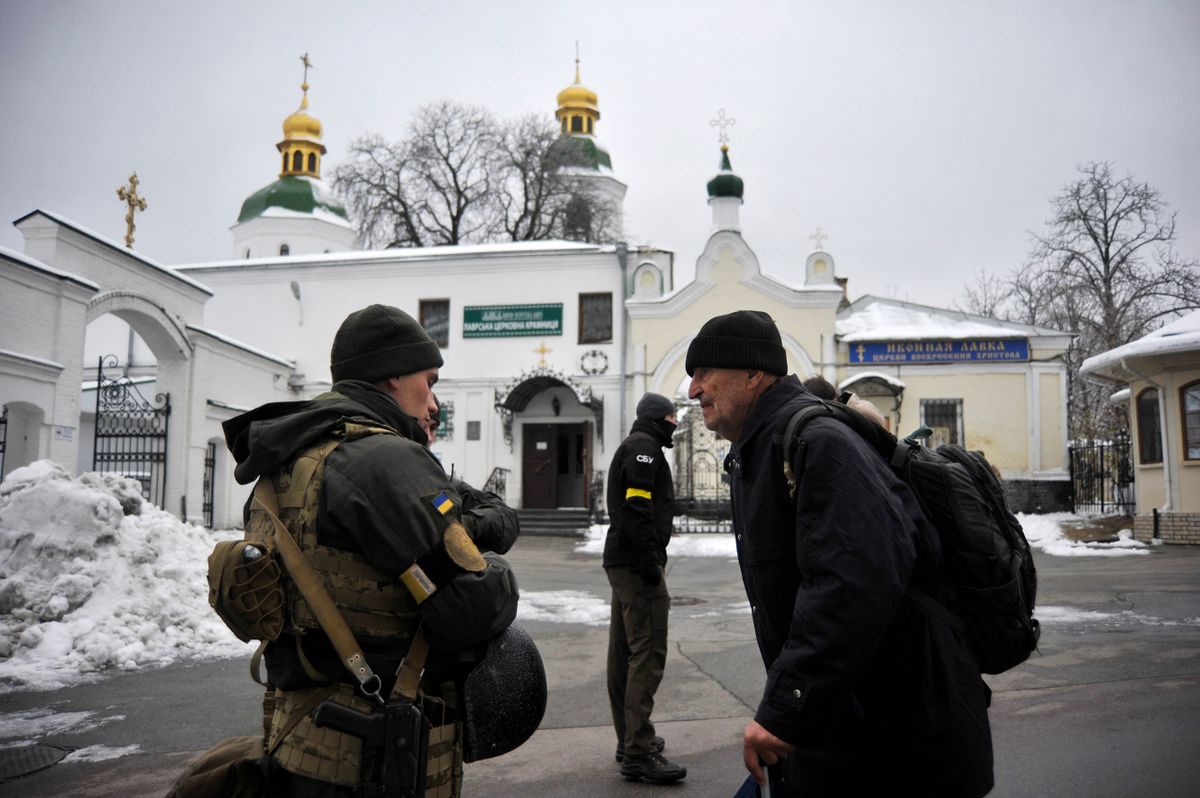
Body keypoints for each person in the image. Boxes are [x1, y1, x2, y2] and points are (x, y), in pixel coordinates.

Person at [685, 310, 994, 797]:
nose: (693, 389)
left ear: (752, 373)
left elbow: (852, 582)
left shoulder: (816, 441)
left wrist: (789, 706)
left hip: (899, 739)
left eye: (704, 373)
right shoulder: (763, 447)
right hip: (851, 727)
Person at [222, 303, 520, 797]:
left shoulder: (290, 459)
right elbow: (468, 608)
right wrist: (497, 568)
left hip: (302, 742)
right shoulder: (382, 459)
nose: (434, 399)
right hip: (370, 758)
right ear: (393, 375)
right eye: (430, 379)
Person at [602, 391, 687, 783]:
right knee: (647, 652)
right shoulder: (644, 448)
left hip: (623, 560)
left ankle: (629, 739)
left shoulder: (639, 444)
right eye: (672, 417)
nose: (675, 423)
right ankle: (638, 749)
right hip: (637, 564)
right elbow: (638, 508)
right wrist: (651, 560)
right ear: (659, 418)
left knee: (624, 652)